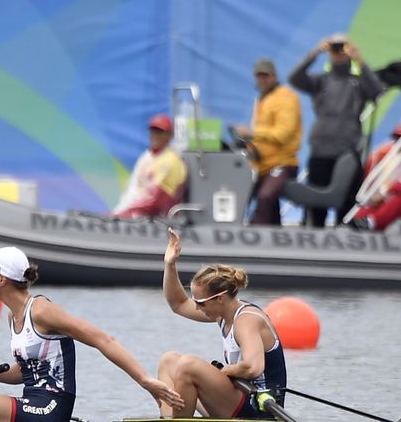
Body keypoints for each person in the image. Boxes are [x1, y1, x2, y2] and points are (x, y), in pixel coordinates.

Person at [0, 246, 184, 422]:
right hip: (29, 401)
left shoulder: (42, 311)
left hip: (50, 409)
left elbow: (102, 339)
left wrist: (145, 380)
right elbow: (26, 372)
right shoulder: (12, 315)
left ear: (1, 279)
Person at [157, 228, 287, 419]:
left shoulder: (246, 320)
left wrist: (223, 372)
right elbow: (178, 304)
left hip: (258, 410)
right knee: (169, 361)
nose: (198, 307)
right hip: (237, 399)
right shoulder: (222, 314)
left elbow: (253, 367)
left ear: (221, 298)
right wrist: (170, 264)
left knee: (188, 365)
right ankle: (168, 418)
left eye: (201, 303)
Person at [288, 33, 384, 227]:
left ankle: (346, 248)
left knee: (347, 207)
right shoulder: (321, 81)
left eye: (342, 47)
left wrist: (359, 60)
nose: (339, 51)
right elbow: (294, 78)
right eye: (335, 47)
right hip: (321, 151)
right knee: (316, 205)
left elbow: (377, 90)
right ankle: (313, 246)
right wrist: (314, 53)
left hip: (347, 153)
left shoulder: (357, 82)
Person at [230, 58, 302, 225]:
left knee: (266, 196)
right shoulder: (264, 99)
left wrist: (252, 133)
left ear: (275, 76)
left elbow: (283, 133)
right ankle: (274, 239)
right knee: (251, 197)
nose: (262, 80)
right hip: (262, 164)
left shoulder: (285, 98)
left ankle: (257, 238)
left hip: (282, 163)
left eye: (266, 76)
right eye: (259, 76)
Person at [113, 114, 187, 219]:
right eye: (153, 131)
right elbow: (133, 190)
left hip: (154, 223)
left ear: (170, 135)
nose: (155, 135)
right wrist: (119, 211)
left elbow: (155, 202)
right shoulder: (147, 156)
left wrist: (125, 213)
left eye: (160, 132)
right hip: (131, 216)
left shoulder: (171, 161)